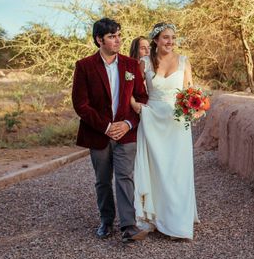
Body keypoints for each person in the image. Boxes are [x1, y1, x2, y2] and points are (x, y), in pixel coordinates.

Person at [71, 18, 150, 243]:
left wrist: (127, 123)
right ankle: (106, 221)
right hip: (98, 133)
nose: (118, 40)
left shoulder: (131, 65)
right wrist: (106, 127)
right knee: (103, 180)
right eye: (112, 36)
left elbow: (142, 97)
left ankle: (128, 225)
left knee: (125, 176)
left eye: (119, 35)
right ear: (99, 40)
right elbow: (80, 104)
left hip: (126, 133)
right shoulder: (84, 66)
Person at [131, 22, 199, 240]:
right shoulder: (143, 63)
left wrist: (195, 108)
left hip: (178, 122)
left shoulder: (184, 61)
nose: (170, 42)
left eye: (173, 37)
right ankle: (154, 218)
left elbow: (190, 91)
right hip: (152, 119)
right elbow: (131, 91)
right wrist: (136, 106)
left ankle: (177, 222)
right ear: (156, 40)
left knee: (177, 171)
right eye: (165, 38)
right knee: (156, 170)